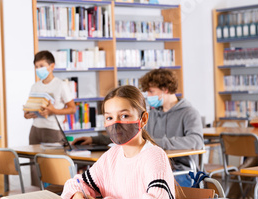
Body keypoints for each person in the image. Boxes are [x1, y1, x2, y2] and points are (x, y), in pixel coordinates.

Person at [61, 85, 175, 199]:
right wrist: (78, 195)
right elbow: (76, 183)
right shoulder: (112, 155)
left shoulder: (154, 155)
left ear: (143, 119)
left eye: (124, 115)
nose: (116, 124)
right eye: (109, 118)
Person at [73, 69, 204, 173]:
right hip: (149, 166)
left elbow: (196, 142)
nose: (149, 96)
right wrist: (94, 139)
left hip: (182, 171)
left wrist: (156, 143)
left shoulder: (189, 113)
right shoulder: (152, 114)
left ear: (166, 89)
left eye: (152, 91)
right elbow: (131, 135)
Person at [24, 50, 76, 144]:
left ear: (52, 66)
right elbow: (30, 108)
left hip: (53, 130)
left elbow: (72, 109)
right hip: (35, 129)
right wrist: (27, 114)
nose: (38, 69)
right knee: (33, 158)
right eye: (36, 66)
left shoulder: (61, 85)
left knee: (53, 158)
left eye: (41, 66)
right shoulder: (35, 86)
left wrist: (54, 111)